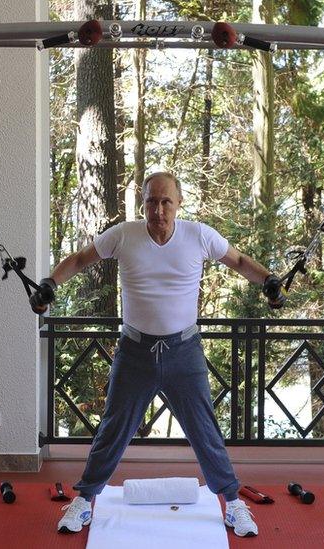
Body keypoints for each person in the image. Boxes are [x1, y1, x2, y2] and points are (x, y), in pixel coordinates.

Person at [31, 172, 285, 538]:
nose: (158, 209)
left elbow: (241, 260)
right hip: (134, 351)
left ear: (179, 203)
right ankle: (85, 499)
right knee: (113, 428)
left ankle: (233, 503)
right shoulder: (123, 235)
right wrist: (49, 284)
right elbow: (80, 258)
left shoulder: (199, 235)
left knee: (205, 430)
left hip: (185, 351)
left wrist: (270, 283)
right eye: (151, 201)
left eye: (166, 201)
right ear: (143, 203)